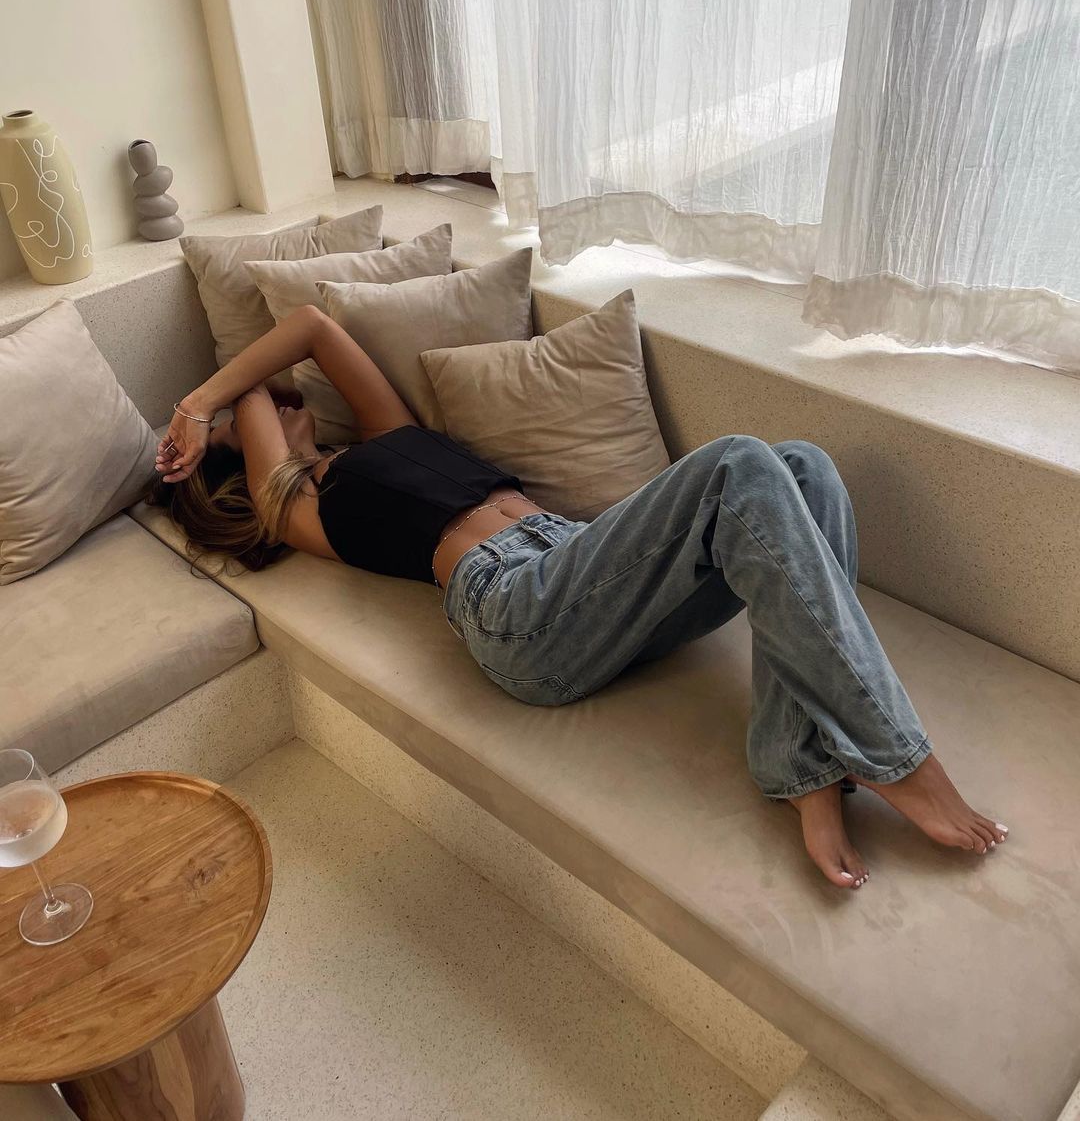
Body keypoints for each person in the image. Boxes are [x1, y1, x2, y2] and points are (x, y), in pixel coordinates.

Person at [152, 303, 1008, 889]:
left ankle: (802, 766)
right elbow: (258, 383)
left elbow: (310, 326)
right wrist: (202, 408)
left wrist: (215, 406)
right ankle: (900, 758)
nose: (283, 404)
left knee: (804, 468)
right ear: (242, 460)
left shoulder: (386, 431)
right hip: (519, 612)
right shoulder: (299, 508)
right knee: (740, 461)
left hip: (581, 567)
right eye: (255, 424)